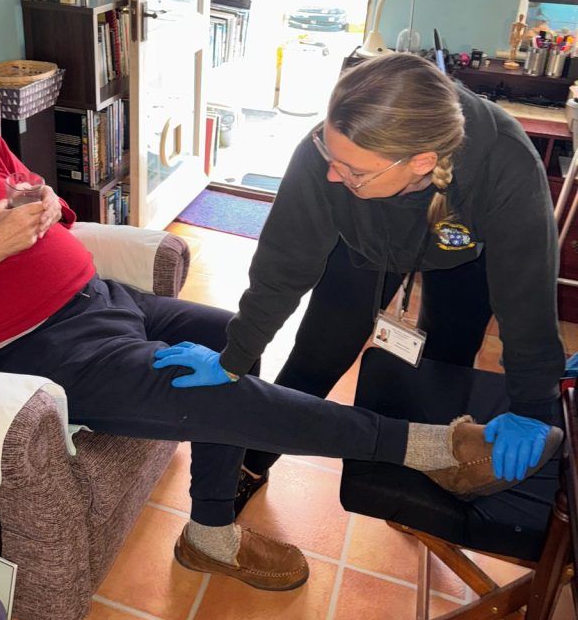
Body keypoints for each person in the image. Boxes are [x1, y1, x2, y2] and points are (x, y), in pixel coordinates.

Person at [0, 48, 560, 593]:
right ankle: (427, 447)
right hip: (27, 349)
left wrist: (44, 206)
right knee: (223, 384)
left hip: (94, 300)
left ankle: (209, 533)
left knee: (216, 337)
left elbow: (54, 205)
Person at [158, 53, 567, 517]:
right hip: (363, 246)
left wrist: (533, 405)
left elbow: (526, 296)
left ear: (421, 162)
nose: (334, 174)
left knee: (444, 365)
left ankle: (428, 462)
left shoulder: (505, 164)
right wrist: (234, 355)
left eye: (353, 171)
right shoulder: (325, 154)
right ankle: (253, 464)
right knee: (315, 358)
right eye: (331, 157)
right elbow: (281, 268)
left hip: (465, 255)